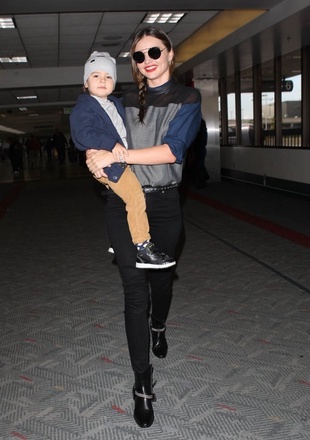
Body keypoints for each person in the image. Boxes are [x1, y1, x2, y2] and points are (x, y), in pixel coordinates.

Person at [86, 28, 201, 428]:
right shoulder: (118, 102)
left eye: (155, 51)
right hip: (124, 203)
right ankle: (141, 384)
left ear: (170, 54)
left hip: (166, 204)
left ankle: (159, 324)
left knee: (161, 286)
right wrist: (94, 157)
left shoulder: (187, 98)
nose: (147, 59)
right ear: (133, 64)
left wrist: (118, 153)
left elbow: (173, 149)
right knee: (134, 292)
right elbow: (92, 131)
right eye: (138, 56)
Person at [70, 51, 175, 270]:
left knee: (134, 195)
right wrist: (110, 144)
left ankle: (120, 240)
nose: (102, 80)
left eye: (108, 76)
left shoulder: (115, 104)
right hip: (108, 163)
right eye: (96, 76)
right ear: (85, 82)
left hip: (120, 160)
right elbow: (83, 134)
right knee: (136, 197)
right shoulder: (84, 107)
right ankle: (142, 246)